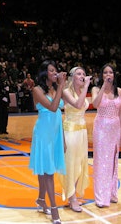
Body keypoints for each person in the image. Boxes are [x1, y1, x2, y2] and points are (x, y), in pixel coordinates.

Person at [29, 60, 66, 224]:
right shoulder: (37, 90)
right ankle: (54, 209)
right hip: (43, 133)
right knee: (48, 172)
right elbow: (53, 107)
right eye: (51, 70)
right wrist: (61, 86)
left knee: (45, 170)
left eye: (55, 70)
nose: (55, 73)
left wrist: (63, 139)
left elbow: (61, 112)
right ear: (44, 73)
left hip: (55, 133)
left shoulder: (57, 88)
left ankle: (40, 199)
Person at [91, 63, 121, 208]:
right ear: (102, 75)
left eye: (110, 72)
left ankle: (111, 193)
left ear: (114, 75)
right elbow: (95, 104)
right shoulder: (96, 89)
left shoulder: (119, 91)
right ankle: (100, 197)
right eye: (105, 73)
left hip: (115, 128)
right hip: (101, 128)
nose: (108, 75)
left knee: (112, 162)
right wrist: (103, 87)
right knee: (101, 162)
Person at [58, 66, 91, 213]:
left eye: (83, 74)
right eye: (79, 73)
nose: (82, 76)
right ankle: (71, 197)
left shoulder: (82, 92)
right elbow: (78, 105)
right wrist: (87, 87)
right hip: (70, 131)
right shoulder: (66, 92)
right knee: (71, 163)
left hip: (82, 131)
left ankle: (74, 194)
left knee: (80, 163)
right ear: (72, 77)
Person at [0, 68, 10, 135]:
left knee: (5, 115)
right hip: (0, 99)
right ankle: (0, 129)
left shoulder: (6, 80)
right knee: (0, 114)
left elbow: (8, 88)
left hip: (6, 99)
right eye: (3, 73)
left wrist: (8, 89)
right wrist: (2, 96)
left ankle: (4, 128)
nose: (4, 74)